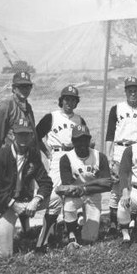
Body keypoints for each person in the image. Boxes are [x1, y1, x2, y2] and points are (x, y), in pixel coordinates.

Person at [0, 118, 52, 258]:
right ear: (12, 135)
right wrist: (13, 205)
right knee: (4, 254)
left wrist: (36, 200)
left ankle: (47, 236)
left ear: (32, 136)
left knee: (55, 198)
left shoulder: (33, 154)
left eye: (27, 134)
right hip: (0, 205)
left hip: (22, 202)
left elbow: (46, 182)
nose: (23, 138)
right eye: (20, 134)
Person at [34, 85, 87, 252]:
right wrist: (46, 151)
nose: (69, 102)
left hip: (75, 156)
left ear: (76, 102)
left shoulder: (79, 119)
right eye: (67, 99)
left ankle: (73, 233)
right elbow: (36, 135)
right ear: (61, 101)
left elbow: (87, 141)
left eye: (73, 99)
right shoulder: (52, 116)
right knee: (55, 197)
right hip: (57, 156)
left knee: (75, 193)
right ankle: (43, 241)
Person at [0, 71, 41, 233]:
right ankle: (2, 228)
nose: (25, 90)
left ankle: (26, 230)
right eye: (21, 86)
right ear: (13, 88)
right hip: (10, 159)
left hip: (25, 159)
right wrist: (1, 159)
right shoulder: (5, 106)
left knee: (26, 193)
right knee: (8, 193)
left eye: (28, 86)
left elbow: (32, 134)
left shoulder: (27, 107)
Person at [105, 76, 137, 236]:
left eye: (135, 89)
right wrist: (108, 157)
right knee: (117, 189)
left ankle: (132, 221)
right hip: (119, 149)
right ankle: (112, 223)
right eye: (129, 89)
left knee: (135, 186)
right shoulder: (116, 108)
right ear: (125, 91)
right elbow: (110, 134)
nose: (132, 92)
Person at [59, 124, 111, 245]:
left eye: (85, 139)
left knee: (90, 238)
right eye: (78, 140)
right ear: (73, 141)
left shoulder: (99, 157)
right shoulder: (66, 158)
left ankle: (81, 226)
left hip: (93, 195)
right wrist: (97, 182)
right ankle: (72, 233)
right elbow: (68, 186)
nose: (82, 143)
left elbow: (107, 185)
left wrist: (83, 188)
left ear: (89, 140)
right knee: (68, 205)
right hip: (75, 195)